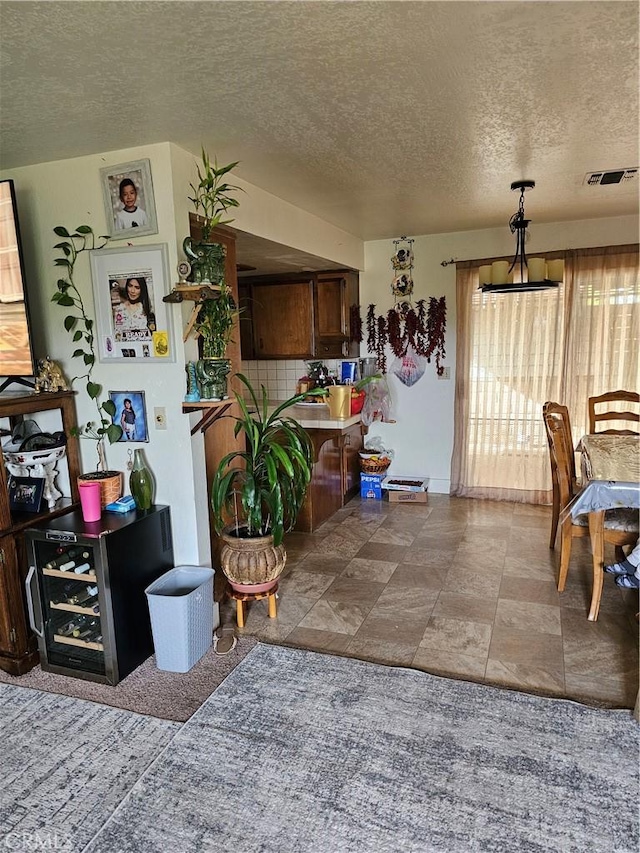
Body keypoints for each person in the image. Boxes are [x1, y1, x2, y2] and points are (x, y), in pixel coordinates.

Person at [112, 277, 156, 341]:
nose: (132, 291)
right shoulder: (119, 309)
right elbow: (117, 334)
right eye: (130, 286)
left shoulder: (147, 309)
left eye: (137, 287)